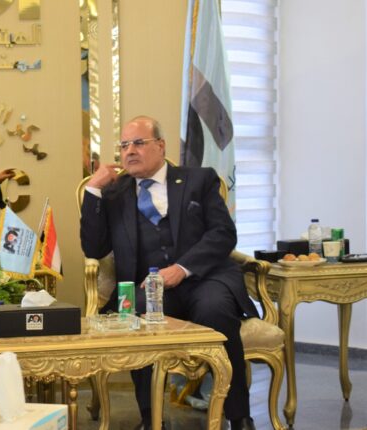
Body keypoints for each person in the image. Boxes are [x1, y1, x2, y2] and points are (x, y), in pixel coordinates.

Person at [79, 116, 258, 430]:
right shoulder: (114, 193)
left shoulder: (199, 180)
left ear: (160, 146)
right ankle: (151, 419)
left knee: (215, 310)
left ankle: (238, 416)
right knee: (135, 314)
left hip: (205, 278)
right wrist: (93, 188)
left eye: (138, 143)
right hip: (148, 287)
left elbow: (223, 234)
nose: (129, 151)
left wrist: (181, 268)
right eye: (124, 145)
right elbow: (93, 248)